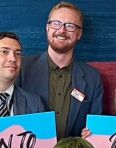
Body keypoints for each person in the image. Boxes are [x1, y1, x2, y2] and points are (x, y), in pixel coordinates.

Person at [18, 1, 103, 138]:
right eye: (56, 23)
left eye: (70, 26)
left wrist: (93, 135)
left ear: (79, 33)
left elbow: (95, 128)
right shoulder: (22, 69)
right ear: (47, 27)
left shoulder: (93, 78)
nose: (61, 31)